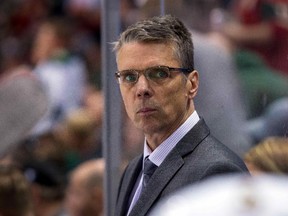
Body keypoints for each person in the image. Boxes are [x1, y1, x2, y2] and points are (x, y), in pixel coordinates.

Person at [113, 14, 249, 216]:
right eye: (129, 77)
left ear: (192, 84)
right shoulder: (134, 169)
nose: (141, 89)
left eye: (159, 73)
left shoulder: (218, 171)